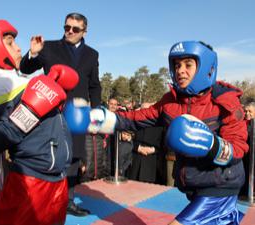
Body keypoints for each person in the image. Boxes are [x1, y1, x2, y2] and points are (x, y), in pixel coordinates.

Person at [66, 41, 249, 224]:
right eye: (177, 65)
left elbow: (239, 147)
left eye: (188, 65)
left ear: (206, 68)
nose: (180, 71)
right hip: (195, 186)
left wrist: (211, 144)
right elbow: (135, 119)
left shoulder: (224, 101)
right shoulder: (170, 102)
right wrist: (97, 119)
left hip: (220, 186)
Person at [0, 19, 79, 225]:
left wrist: (58, 93)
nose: (17, 47)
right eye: (9, 42)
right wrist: (29, 111)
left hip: (56, 177)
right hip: (32, 179)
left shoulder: (22, 82)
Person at [19, 12, 101, 216]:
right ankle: (45, 199)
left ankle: (68, 200)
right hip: (52, 112)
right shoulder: (49, 47)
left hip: (79, 113)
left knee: (74, 158)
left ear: (84, 31)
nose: (70, 32)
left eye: (75, 29)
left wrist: (97, 110)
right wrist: (33, 53)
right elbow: (25, 68)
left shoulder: (92, 54)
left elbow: (94, 86)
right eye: (67, 27)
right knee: (51, 156)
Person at [240, 101, 255, 197]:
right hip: (245, 155)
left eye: (250, 111)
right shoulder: (241, 123)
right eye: (245, 111)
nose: (247, 113)